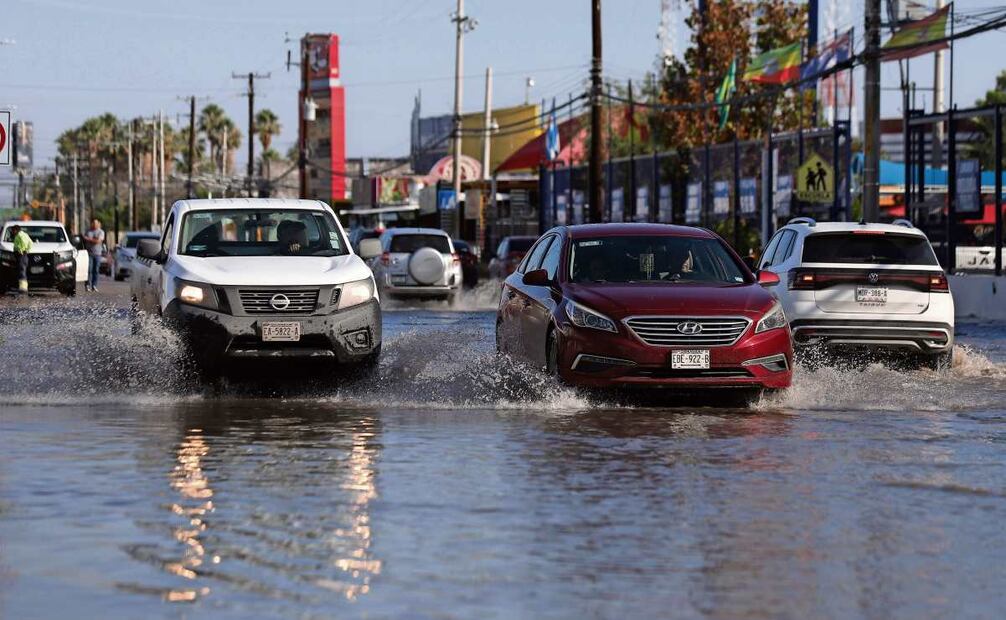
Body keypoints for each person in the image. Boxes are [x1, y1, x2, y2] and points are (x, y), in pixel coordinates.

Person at [10, 224, 33, 295]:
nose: (12, 232)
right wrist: (27, 250)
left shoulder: (19, 235)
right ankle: (22, 287)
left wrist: (21, 250)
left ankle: (23, 288)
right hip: (24, 255)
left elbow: (22, 243)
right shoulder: (25, 234)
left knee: (21, 271)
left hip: (21, 255)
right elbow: (31, 243)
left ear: (16, 230)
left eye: (13, 231)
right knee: (22, 270)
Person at [83, 218, 105, 292]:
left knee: (96, 270)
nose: (95, 225)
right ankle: (87, 285)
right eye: (93, 223)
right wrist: (92, 239)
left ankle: (94, 285)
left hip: (97, 254)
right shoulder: (88, 231)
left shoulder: (101, 232)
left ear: (98, 224)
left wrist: (89, 239)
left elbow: (98, 241)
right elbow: (84, 239)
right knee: (89, 270)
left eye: (96, 223)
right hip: (88, 253)